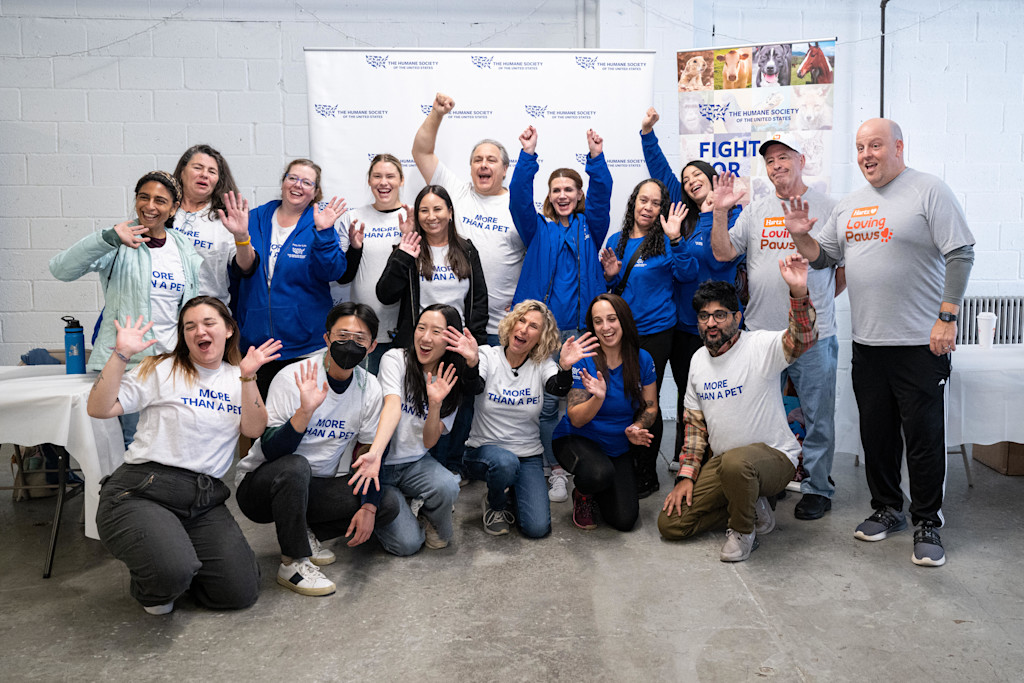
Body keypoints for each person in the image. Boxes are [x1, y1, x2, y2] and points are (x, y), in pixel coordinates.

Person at [785, 118, 975, 567]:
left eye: (876, 145)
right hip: (869, 344)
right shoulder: (850, 205)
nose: (867, 154)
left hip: (921, 342)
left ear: (899, 147)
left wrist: (947, 316)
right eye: (860, 147)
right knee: (878, 434)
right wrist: (800, 235)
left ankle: (928, 521)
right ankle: (887, 509)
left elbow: (961, 252)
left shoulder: (929, 190)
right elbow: (825, 256)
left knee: (924, 438)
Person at [86, 296, 282, 614]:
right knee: (170, 576)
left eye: (208, 323)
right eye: (189, 326)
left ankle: (173, 556)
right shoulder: (163, 369)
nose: (198, 331)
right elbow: (98, 407)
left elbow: (255, 428)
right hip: (142, 491)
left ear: (229, 330)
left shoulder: (238, 377)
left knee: (239, 593)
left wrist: (248, 377)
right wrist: (121, 355)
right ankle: (159, 578)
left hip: (202, 501)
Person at [709, 135, 843, 521]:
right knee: (760, 413)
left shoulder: (829, 208)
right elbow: (722, 252)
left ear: (801, 161)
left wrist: (819, 302)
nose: (777, 165)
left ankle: (818, 487)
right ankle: (770, 480)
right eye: (770, 160)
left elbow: (842, 268)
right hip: (760, 335)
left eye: (784, 157)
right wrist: (721, 212)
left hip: (812, 335)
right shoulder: (755, 210)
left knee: (817, 414)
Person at [235, 302, 402, 597]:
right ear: (326, 339)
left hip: (315, 488)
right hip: (262, 487)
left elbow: (367, 452)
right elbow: (273, 451)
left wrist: (367, 505)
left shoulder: (369, 388)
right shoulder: (294, 377)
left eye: (360, 339)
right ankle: (292, 563)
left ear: (372, 346)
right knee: (296, 466)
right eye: (342, 336)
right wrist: (304, 412)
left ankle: (305, 532)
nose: (350, 345)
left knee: (385, 502)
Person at [658, 257, 818, 562]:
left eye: (720, 314)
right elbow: (694, 429)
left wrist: (798, 292)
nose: (711, 323)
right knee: (672, 524)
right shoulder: (697, 362)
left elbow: (803, 339)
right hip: (725, 465)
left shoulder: (760, 346)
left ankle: (743, 530)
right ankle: (752, 508)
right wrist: (686, 477)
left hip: (774, 458)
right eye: (704, 316)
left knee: (736, 462)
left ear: (738, 317)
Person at [49, 171, 204, 446]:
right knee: (134, 442)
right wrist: (107, 238)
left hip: (171, 363)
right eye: (143, 197)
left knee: (170, 441)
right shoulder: (118, 241)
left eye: (160, 200)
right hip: (129, 365)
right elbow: (61, 269)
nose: (150, 206)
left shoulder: (182, 247)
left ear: (173, 208)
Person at [509, 125, 612, 504]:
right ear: (549, 197)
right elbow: (519, 198)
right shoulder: (537, 228)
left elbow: (602, 197)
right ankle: (551, 469)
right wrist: (528, 156)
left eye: (570, 189)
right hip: (542, 335)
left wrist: (596, 161)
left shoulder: (590, 227)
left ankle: (578, 469)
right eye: (557, 190)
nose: (564, 195)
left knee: (580, 403)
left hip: (581, 334)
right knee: (544, 404)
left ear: (578, 194)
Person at [638, 107, 745, 471]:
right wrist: (648, 135)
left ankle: (717, 459)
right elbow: (663, 177)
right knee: (688, 393)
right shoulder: (685, 218)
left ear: (714, 180)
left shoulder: (732, 215)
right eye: (686, 179)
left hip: (718, 323)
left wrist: (720, 211)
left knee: (717, 394)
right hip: (685, 324)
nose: (690, 180)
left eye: (698, 174)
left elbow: (720, 261)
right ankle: (688, 455)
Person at [447, 301, 598, 537]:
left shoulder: (543, 365)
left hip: (527, 455)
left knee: (537, 528)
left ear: (541, 337)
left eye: (534, 326)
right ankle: (495, 503)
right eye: (522, 321)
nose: (525, 329)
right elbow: (474, 386)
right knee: (505, 463)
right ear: (511, 324)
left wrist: (566, 367)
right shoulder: (487, 355)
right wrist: (472, 363)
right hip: (483, 453)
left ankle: (513, 489)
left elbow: (557, 387)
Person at [375, 184, 488, 477]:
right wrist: (402, 254)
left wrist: (474, 343)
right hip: (421, 343)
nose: (431, 216)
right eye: (424, 210)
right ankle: (417, 467)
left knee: (458, 406)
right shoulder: (410, 248)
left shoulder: (466, 249)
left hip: (456, 344)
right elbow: (385, 294)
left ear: (450, 212)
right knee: (423, 404)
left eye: (438, 209)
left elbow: (478, 300)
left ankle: (449, 466)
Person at [599, 179, 697, 497]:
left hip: (657, 333)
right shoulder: (618, 239)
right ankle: (626, 462)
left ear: (661, 209)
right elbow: (613, 294)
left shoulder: (667, 240)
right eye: (643, 200)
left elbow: (687, 275)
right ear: (634, 203)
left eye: (655, 203)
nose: (648, 207)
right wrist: (611, 277)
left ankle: (647, 472)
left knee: (648, 403)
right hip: (623, 335)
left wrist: (678, 240)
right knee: (625, 398)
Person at [224, 158, 349, 398]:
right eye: (292, 178)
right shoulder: (255, 218)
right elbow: (242, 269)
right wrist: (241, 235)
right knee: (256, 424)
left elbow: (333, 273)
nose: (298, 185)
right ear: (283, 182)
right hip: (255, 344)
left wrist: (324, 234)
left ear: (315, 192)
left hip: (304, 346)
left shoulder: (320, 222)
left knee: (299, 421)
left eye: (307, 182)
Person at [412, 92, 525, 342]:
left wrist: (526, 300)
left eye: (491, 160)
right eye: (477, 160)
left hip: (507, 328)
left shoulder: (518, 207)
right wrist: (437, 114)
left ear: (505, 169)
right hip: (460, 327)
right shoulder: (456, 192)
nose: (483, 165)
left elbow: (539, 261)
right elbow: (422, 152)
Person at [552, 294, 658, 532]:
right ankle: (583, 493)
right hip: (576, 439)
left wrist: (638, 427)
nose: (606, 327)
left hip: (617, 444)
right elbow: (576, 419)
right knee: (598, 473)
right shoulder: (584, 359)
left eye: (612, 319)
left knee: (624, 520)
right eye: (598, 321)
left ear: (624, 321)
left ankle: (601, 486)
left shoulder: (642, 359)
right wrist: (598, 398)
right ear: (592, 326)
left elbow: (650, 406)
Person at [372, 305, 468, 555]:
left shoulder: (450, 379)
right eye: (421, 328)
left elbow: (428, 441)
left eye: (436, 331)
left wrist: (435, 404)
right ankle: (391, 506)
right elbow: (392, 405)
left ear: (450, 339)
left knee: (448, 488)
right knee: (407, 544)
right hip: (379, 464)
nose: (425, 338)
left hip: (414, 463)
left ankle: (422, 511)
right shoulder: (395, 359)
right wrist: (374, 455)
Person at [332, 154, 408, 374]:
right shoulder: (354, 217)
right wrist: (355, 248)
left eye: (390, 176)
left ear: (401, 180)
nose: (383, 182)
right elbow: (343, 277)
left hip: (404, 330)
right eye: (377, 176)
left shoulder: (412, 216)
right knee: (367, 399)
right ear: (369, 181)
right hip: (365, 332)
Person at [171, 144, 241, 304]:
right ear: (182, 172)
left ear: (218, 180)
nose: (204, 175)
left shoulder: (226, 217)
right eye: (198, 168)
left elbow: (245, 268)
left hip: (208, 310)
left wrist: (242, 235)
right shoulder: (163, 209)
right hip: (166, 312)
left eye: (212, 171)